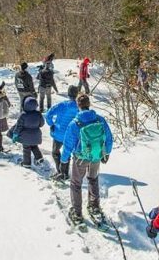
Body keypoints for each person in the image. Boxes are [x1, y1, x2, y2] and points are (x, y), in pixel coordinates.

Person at [61, 94, 113, 225]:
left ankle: (77, 213)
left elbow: (68, 143)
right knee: (93, 179)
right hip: (96, 156)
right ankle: (94, 206)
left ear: (78, 105)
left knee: (76, 183)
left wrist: (64, 159)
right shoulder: (99, 119)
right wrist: (106, 153)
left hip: (80, 158)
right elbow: (109, 137)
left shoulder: (75, 123)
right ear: (89, 104)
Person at [45, 85, 80, 180]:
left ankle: (60, 172)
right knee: (67, 153)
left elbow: (48, 114)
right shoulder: (79, 107)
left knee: (55, 152)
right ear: (76, 94)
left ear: (68, 94)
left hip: (59, 133)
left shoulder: (62, 105)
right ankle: (64, 173)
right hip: (72, 135)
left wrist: (51, 124)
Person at [7, 96, 45, 168]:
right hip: (36, 135)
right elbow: (42, 124)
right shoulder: (38, 114)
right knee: (34, 146)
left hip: (25, 136)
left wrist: (15, 134)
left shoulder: (23, 115)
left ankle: (26, 163)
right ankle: (39, 158)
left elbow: (18, 126)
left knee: (26, 149)